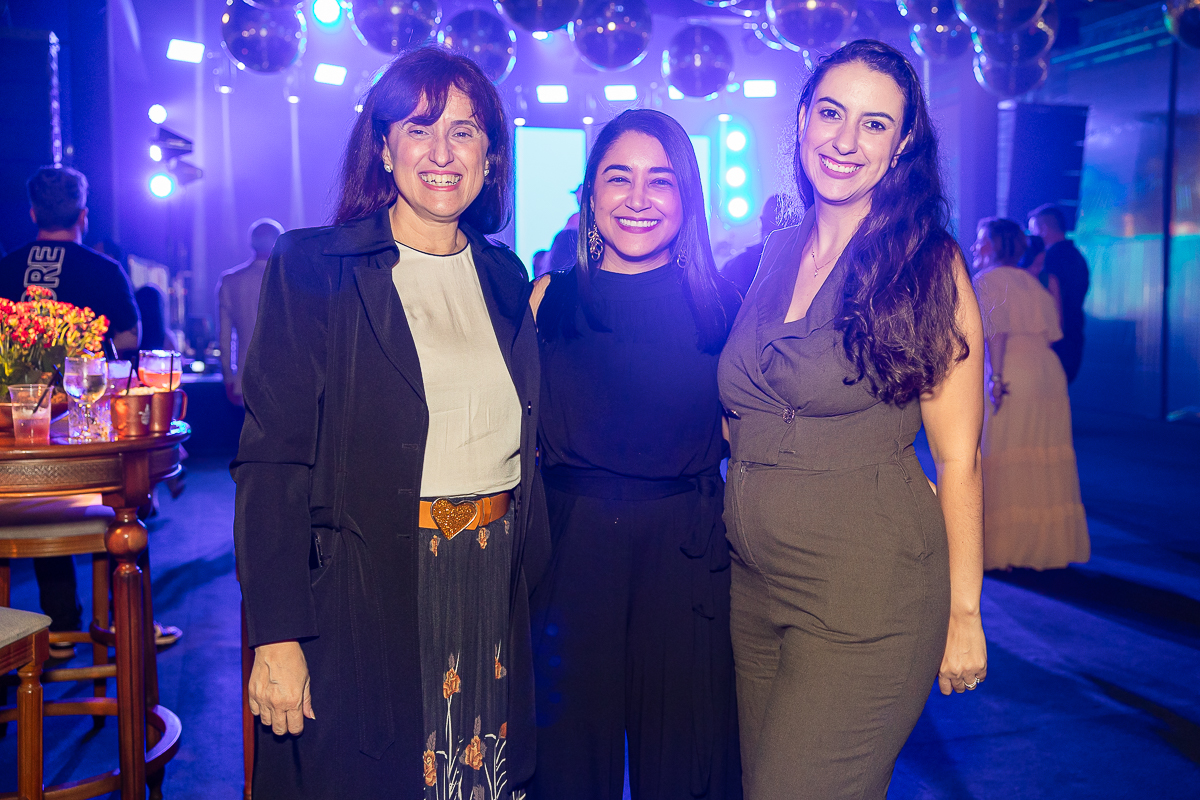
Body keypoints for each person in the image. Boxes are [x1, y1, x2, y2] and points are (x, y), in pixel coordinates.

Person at [233, 47, 549, 800]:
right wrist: (278, 633)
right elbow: (271, 460)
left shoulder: (504, 277)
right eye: (418, 128)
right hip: (367, 597)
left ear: (491, 154)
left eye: (465, 132)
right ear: (383, 146)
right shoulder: (317, 268)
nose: (442, 153)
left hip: (490, 587)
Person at [718, 41, 988, 798]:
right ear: (802, 118)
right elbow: (749, 412)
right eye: (832, 113)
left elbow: (960, 457)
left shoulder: (927, 264)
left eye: (875, 125)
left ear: (902, 144)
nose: (845, 140)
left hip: (865, 594)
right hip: (754, 587)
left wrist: (964, 611)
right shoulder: (774, 251)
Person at [528, 109, 743, 800]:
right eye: (619, 178)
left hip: (686, 559)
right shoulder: (547, 301)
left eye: (662, 180)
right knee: (564, 768)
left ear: (687, 198)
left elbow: (756, 440)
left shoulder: (724, 310)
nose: (639, 198)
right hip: (567, 554)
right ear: (591, 195)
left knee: (685, 769)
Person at [0, 166, 142, 660]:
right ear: (84, 215)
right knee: (131, 490)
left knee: (35, 490)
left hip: (14, 457)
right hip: (87, 439)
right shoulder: (103, 270)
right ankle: (120, 618)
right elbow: (128, 339)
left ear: (34, 213)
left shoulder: (5, 267)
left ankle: (56, 622)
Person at [971, 218, 1089, 571]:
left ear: (995, 246)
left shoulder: (986, 281)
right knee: (1044, 456)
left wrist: (996, 378)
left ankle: (1008, 550)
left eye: (981, 241)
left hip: (1011, 373)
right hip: (1047, 373)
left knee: (1005, 455)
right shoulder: (1032, 284)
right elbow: (1054, 333)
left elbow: (997, 332)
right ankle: (1047, 547)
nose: (977, 247)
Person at [216, 218, 283, 406]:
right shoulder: (290, 280)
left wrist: (229, 377)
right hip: (285, 381)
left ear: (251, 242)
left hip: (245, 380)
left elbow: (224, 338)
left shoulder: (230, 280)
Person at [1028, 204, 1089, 383]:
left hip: (1053, 343)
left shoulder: (1049, 260)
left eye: (1033, 231)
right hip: (1073, 340)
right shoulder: (1078, 257)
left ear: (1043, 229)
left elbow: (1052, 305)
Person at [720, 194, 789, 296]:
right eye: (764, 220)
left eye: (774, 219)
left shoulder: (802, 260)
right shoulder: (736, 264)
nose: (766, 226)